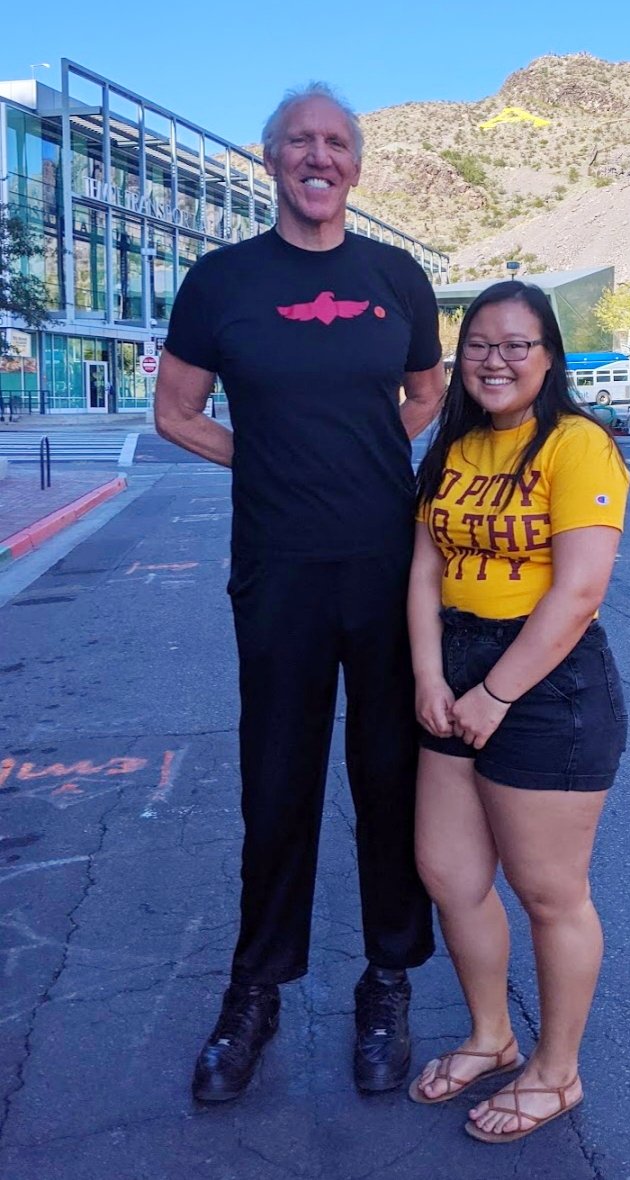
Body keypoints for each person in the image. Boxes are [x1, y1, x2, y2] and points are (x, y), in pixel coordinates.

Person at [155, 82, 444, 1101]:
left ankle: (388, 978)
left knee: (388, 776)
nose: (318, 157)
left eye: (335, 142)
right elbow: (174, 410)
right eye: (298, 142)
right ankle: (255, 989)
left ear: (355, 164)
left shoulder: (396, 277)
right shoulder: (221, 280)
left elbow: (427, 390)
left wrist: (367, 454)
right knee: (276, 782)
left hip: (382, 562)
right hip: (275, 566)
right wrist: (265, 458)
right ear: (269, 159)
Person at [406, 281, 630, 1143]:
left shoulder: (578, 445)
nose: (495, 360)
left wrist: (495, 694)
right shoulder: (453, 445)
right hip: (453, 668)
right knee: (450, 876)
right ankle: (493, 1037)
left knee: (548, 892)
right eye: (479, 345)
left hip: (546, 682)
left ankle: (556, 1070)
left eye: (516, 345)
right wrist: (429, 676)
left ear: (548, 357)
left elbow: (578, 591)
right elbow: (425, 567)